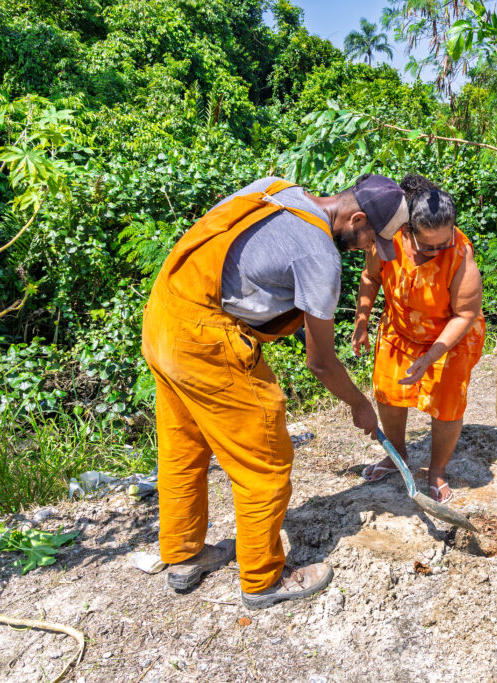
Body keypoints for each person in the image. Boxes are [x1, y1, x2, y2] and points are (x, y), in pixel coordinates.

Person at [141, 174, 409, 609]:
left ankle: (185, 555)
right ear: (357, 219)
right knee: (265, 457)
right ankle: (263, 579)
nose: (366, 251)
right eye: (369, 242)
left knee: (184, 447)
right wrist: (359, 403)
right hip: (204, 341)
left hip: (164, 317)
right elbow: (320, 361)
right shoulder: (320, 256)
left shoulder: (277, 189)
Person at [352, 175, 485, 504]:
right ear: (408, 231)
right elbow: (370, 277)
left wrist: (430, 358)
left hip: (450, 338)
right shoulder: (389, 239)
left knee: (447, 405)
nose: (438, 250)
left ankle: (437, 470)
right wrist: (361, 320)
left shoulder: (460, 253)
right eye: (428, 245)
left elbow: (465, 314)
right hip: (400, 329)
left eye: (444, 241)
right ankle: (397, 456)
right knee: (389, 393)